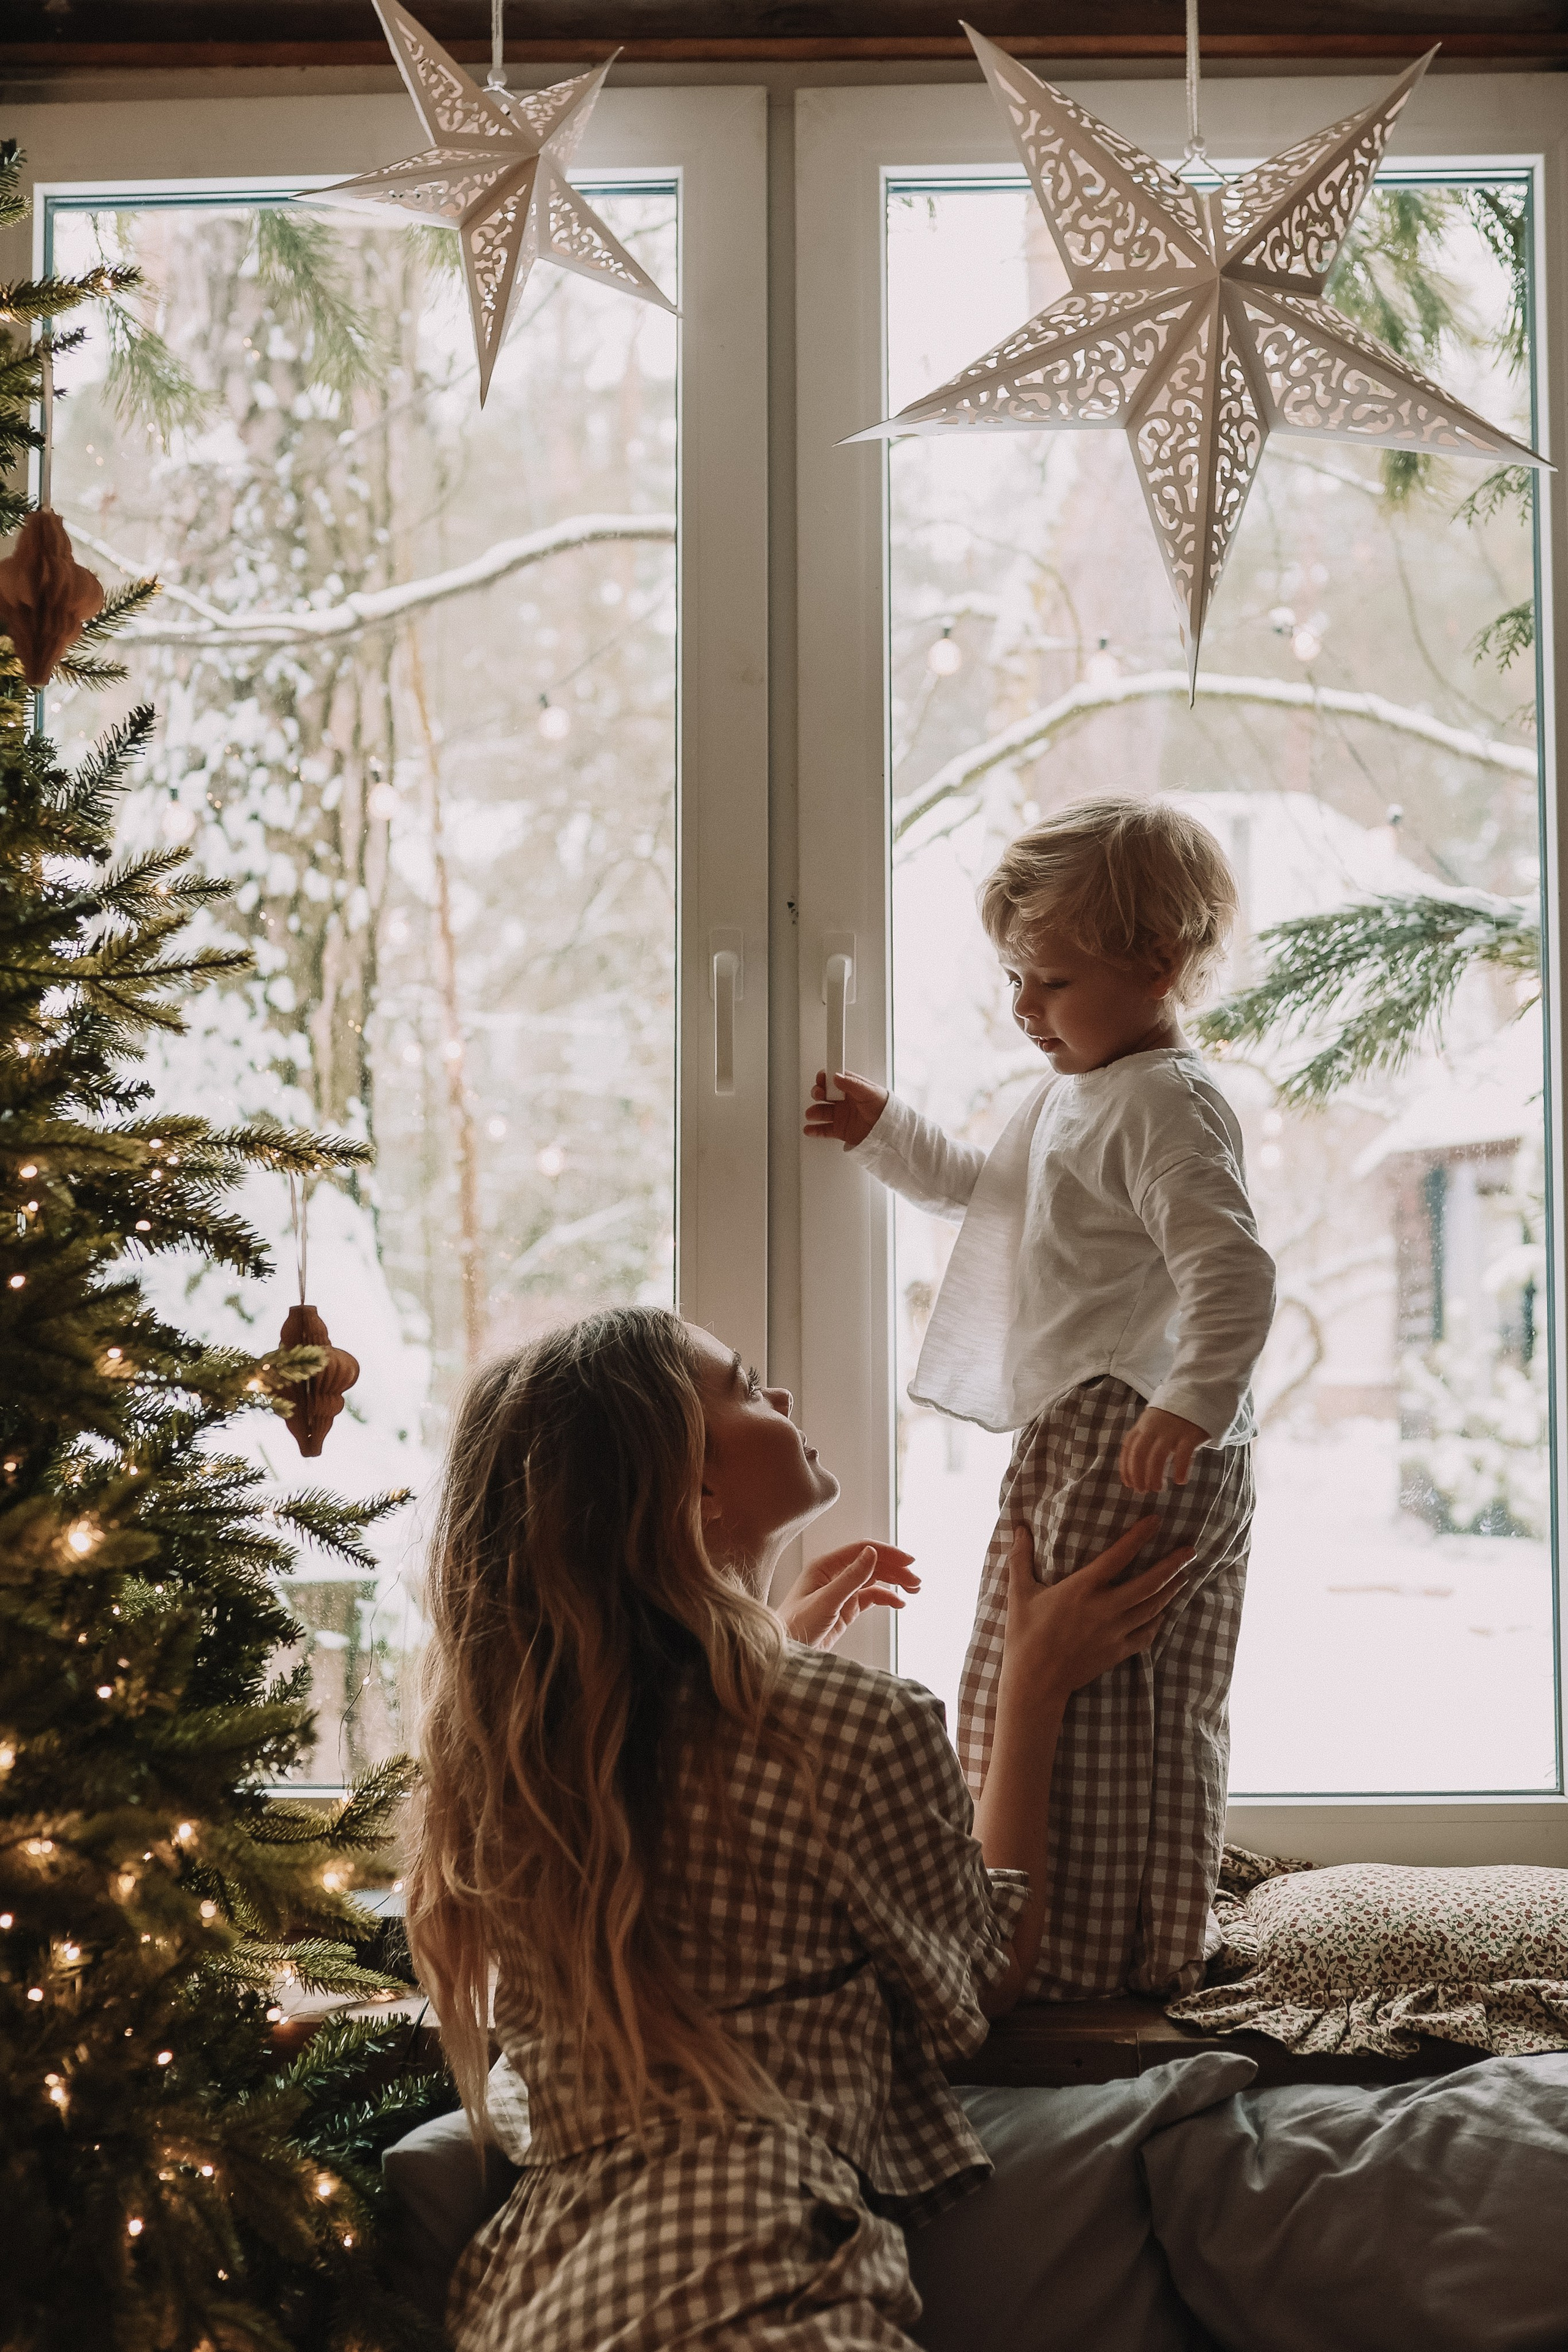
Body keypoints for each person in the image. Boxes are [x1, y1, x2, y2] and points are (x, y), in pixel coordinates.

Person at [407, 1306, 1188, 2350]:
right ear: (696, 1487)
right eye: (744, 1384)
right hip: (749, 2261)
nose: (778, 1398)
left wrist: (769, 1642)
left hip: (540, 2283)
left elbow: (680, 1790)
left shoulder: (517, 1764)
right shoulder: (856, 1726)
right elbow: (983, 1976)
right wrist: (1034, 1692)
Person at [806, 796, 1275, 1999]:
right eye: (1015, 980)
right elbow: (987, 1193)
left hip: (1140, 1427)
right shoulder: (1077, 1094)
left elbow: (1229, 1269)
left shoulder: (1165, 1101)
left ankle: (1093, 1953)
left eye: (1049, 982)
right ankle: (1049, 1929)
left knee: (1115, 1695)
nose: (1023, 1009)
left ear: (1154, 967)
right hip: (1085, 1421)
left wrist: (1191, 1402)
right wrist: (883, 1132)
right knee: (1047, 1673)